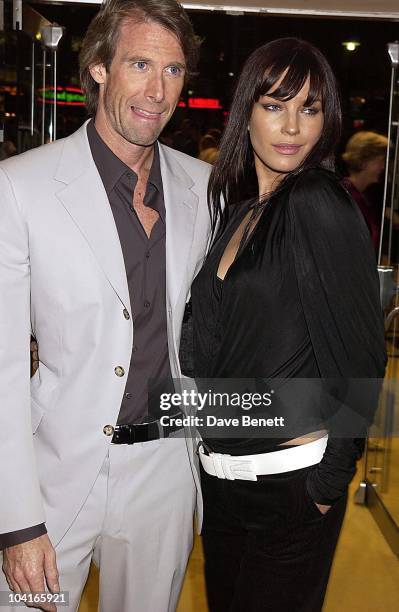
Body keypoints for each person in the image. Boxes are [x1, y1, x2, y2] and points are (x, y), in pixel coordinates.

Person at [0, 1, 211, 610]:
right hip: (54, 472)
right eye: (140, 63)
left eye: (173, 71)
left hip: (166, 471)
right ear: (98, 68)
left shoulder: (204, 189)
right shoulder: (22, 187)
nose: (157, 90)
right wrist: (16, 519)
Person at [190, 38, 386, 611]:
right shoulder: (241, 209)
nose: (293, 126)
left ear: (328, 121)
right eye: (276, 105)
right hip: (222, 480)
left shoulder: (318, 201)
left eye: (310, 107)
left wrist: (328, 484)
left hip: (291, 485)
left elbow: (361, 357)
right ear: (245, 110)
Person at [342, 130, 388, 252]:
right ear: (364, 161)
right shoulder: (345, 195)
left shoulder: (362, 195)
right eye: (380, 161)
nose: (383, 167)